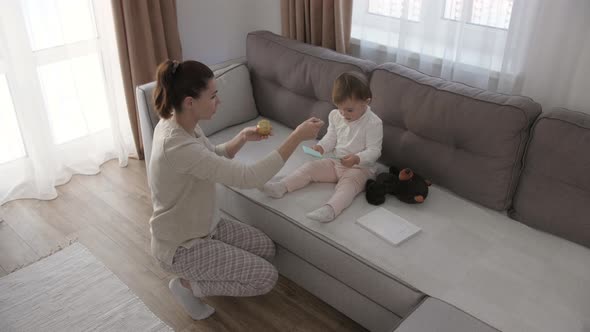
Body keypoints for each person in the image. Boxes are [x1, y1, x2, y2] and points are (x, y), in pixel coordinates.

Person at [148, 59, 324, 320]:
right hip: (182, 245)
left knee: (266, 248)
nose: (219, 101)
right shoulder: (176, 145)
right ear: (189, 101)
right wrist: (296, 136)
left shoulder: (182, 123)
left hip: (207, 225)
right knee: (265, 278)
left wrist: (241, 138)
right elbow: (251, 177)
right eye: (213, 96)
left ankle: (208, 269)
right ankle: (187, 286)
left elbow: (212, 157)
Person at [262, 72, 383, 222]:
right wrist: (321, 147)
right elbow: (331, 137)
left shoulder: (373, 123)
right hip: (336, 162)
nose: (344, 114)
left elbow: (374, 151)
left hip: (360, 168)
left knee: (348, 186)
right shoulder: (335, 116)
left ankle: (330, 209)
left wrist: (357, 158)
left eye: (349, 110)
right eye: (340, 109)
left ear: (366, 102)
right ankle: (281, 187)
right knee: (310, 167)